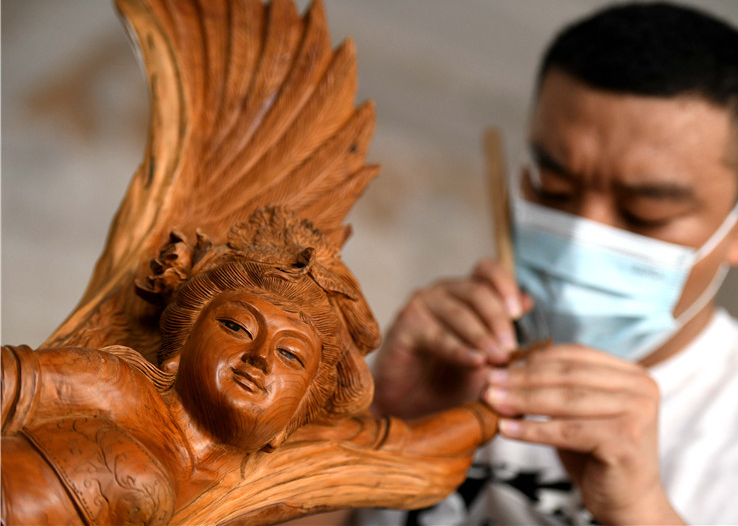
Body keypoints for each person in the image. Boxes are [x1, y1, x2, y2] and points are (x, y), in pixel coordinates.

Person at [362, 0, 738, 526]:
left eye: (645, 215)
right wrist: (373, 425)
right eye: (553, 189)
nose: (579, 241)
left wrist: (642, 511)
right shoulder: (437, 359)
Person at [1, 206, 499, 526]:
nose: (259, 357)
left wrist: (494, 408)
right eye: (237, 327)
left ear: (292, 421)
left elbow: (406, 448)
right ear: (180, 345)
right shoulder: (116, 386)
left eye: (290, 355)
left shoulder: (262, 480)